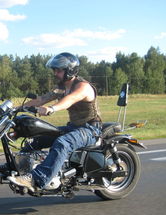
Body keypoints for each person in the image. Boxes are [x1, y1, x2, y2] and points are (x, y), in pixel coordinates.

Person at [6, 52, 102, 191]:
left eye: (59, 70)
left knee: (63, 143)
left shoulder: (82, 87)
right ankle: (16, 167)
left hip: (90, 130)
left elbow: (70, 100)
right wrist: (16, 109)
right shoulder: (62, 87)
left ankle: (37, 179)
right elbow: (41, 99)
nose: (55, 73)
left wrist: (52, 108)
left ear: (70, 70)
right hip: (74, 127)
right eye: (54, 70)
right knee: (37, 139)